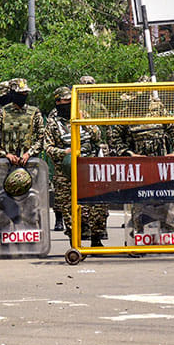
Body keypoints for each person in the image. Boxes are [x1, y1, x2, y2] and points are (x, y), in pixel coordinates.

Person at [110, 89, 174, 241]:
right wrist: (130, 154)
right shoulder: (126, 113)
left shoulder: (158, 109)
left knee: (166, 199)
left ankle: (167, 234)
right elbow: (114, 138)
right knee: (139, 201)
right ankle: (138, 235)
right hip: (139, 166)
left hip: (161, 164)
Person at [45, 86, 107, 245]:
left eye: (71, 101)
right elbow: (48, 147)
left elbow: (97, 137)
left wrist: (84, 122)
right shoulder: (53, 124)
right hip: (65, 172)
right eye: (66, 101)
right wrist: (64, 152)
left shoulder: (82, 116)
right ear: (58, 102)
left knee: (96, 205)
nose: (69, 104)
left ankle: (96, 239)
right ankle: (75, 240)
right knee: (68, 208)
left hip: (88, 168)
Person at [0, 78, 44, 166]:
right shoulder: (2, 113)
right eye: (20, 94)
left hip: (29, 163)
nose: (23, 95)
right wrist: (6, 155)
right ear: (13, 93)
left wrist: (29, 153)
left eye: (25, 93)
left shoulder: (34, 113)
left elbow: (41, 139)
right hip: (5, 164)